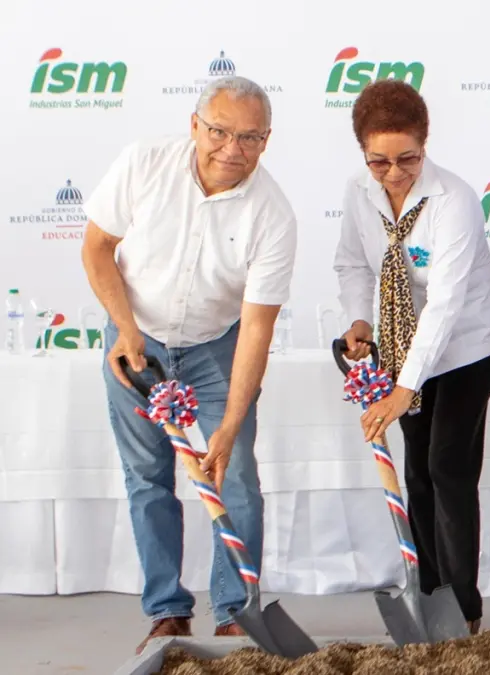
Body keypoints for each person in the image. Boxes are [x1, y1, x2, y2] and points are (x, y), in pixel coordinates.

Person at [79, 76, 296, 654]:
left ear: (267, 140)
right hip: (135, 336)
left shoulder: (273, 215)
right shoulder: (143, 163)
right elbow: (97, 247)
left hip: (216, 344)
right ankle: (167, 612)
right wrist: (125, 329)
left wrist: (227, 427)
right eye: (219, 131)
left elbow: (256, 327)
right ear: (195, 126)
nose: (232, 149)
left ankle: (235, 611)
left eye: (249, 137)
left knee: (239, 476)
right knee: (147, 476)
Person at [332, 79, 490, 635]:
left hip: (468, 343)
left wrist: (403, 389)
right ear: (362, 150)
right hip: (402, 342)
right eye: (378, 160)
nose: (392, 173)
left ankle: (465, 608)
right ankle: (429, 592)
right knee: (417, 471)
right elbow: (353, 265)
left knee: (447, 466)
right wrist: (360, 322)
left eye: (407, 158)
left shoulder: (454, 199)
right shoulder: (358, 193)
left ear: (426, 142)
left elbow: (446, 304)